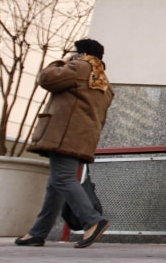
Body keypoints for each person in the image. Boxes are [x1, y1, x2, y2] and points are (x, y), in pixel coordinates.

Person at [16, 39, 114, 249]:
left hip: (65, 134)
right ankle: (38, 232)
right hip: (82, 137)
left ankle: (92, 221)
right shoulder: (103, 81)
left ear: (82, 53)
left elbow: (47, 79)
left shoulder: (79, 67)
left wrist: (59, 62)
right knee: (56, 184)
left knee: (62, 179)